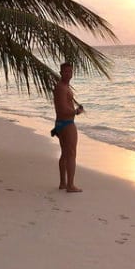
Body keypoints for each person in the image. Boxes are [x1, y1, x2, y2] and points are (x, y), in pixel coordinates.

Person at [51, 62, 84, 192]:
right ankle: (70, 185)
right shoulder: (61, 88)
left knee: (65, 153)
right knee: (71, 154)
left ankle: (63, 183)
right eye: (66, 71)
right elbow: (62, 109)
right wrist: (76, 112)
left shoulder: (65, 87)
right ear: (60, 72)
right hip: (66, 124)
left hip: (62, 124)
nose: (68, 74)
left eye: (70, 72)